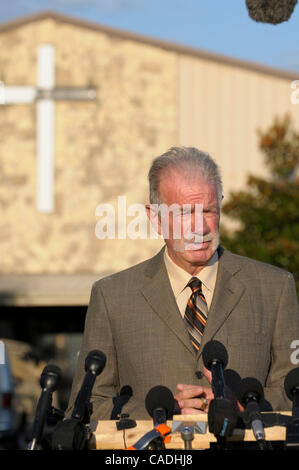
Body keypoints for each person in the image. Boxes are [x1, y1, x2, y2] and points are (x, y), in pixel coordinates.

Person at [67, 146, 299, 421]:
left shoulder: (275, 289)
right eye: (185, 213)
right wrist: (161, 410)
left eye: (209, 211)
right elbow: (85, 407)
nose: (200, 228)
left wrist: (246, 406)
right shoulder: (112, 297)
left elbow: (293, 390)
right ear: (155, 218)